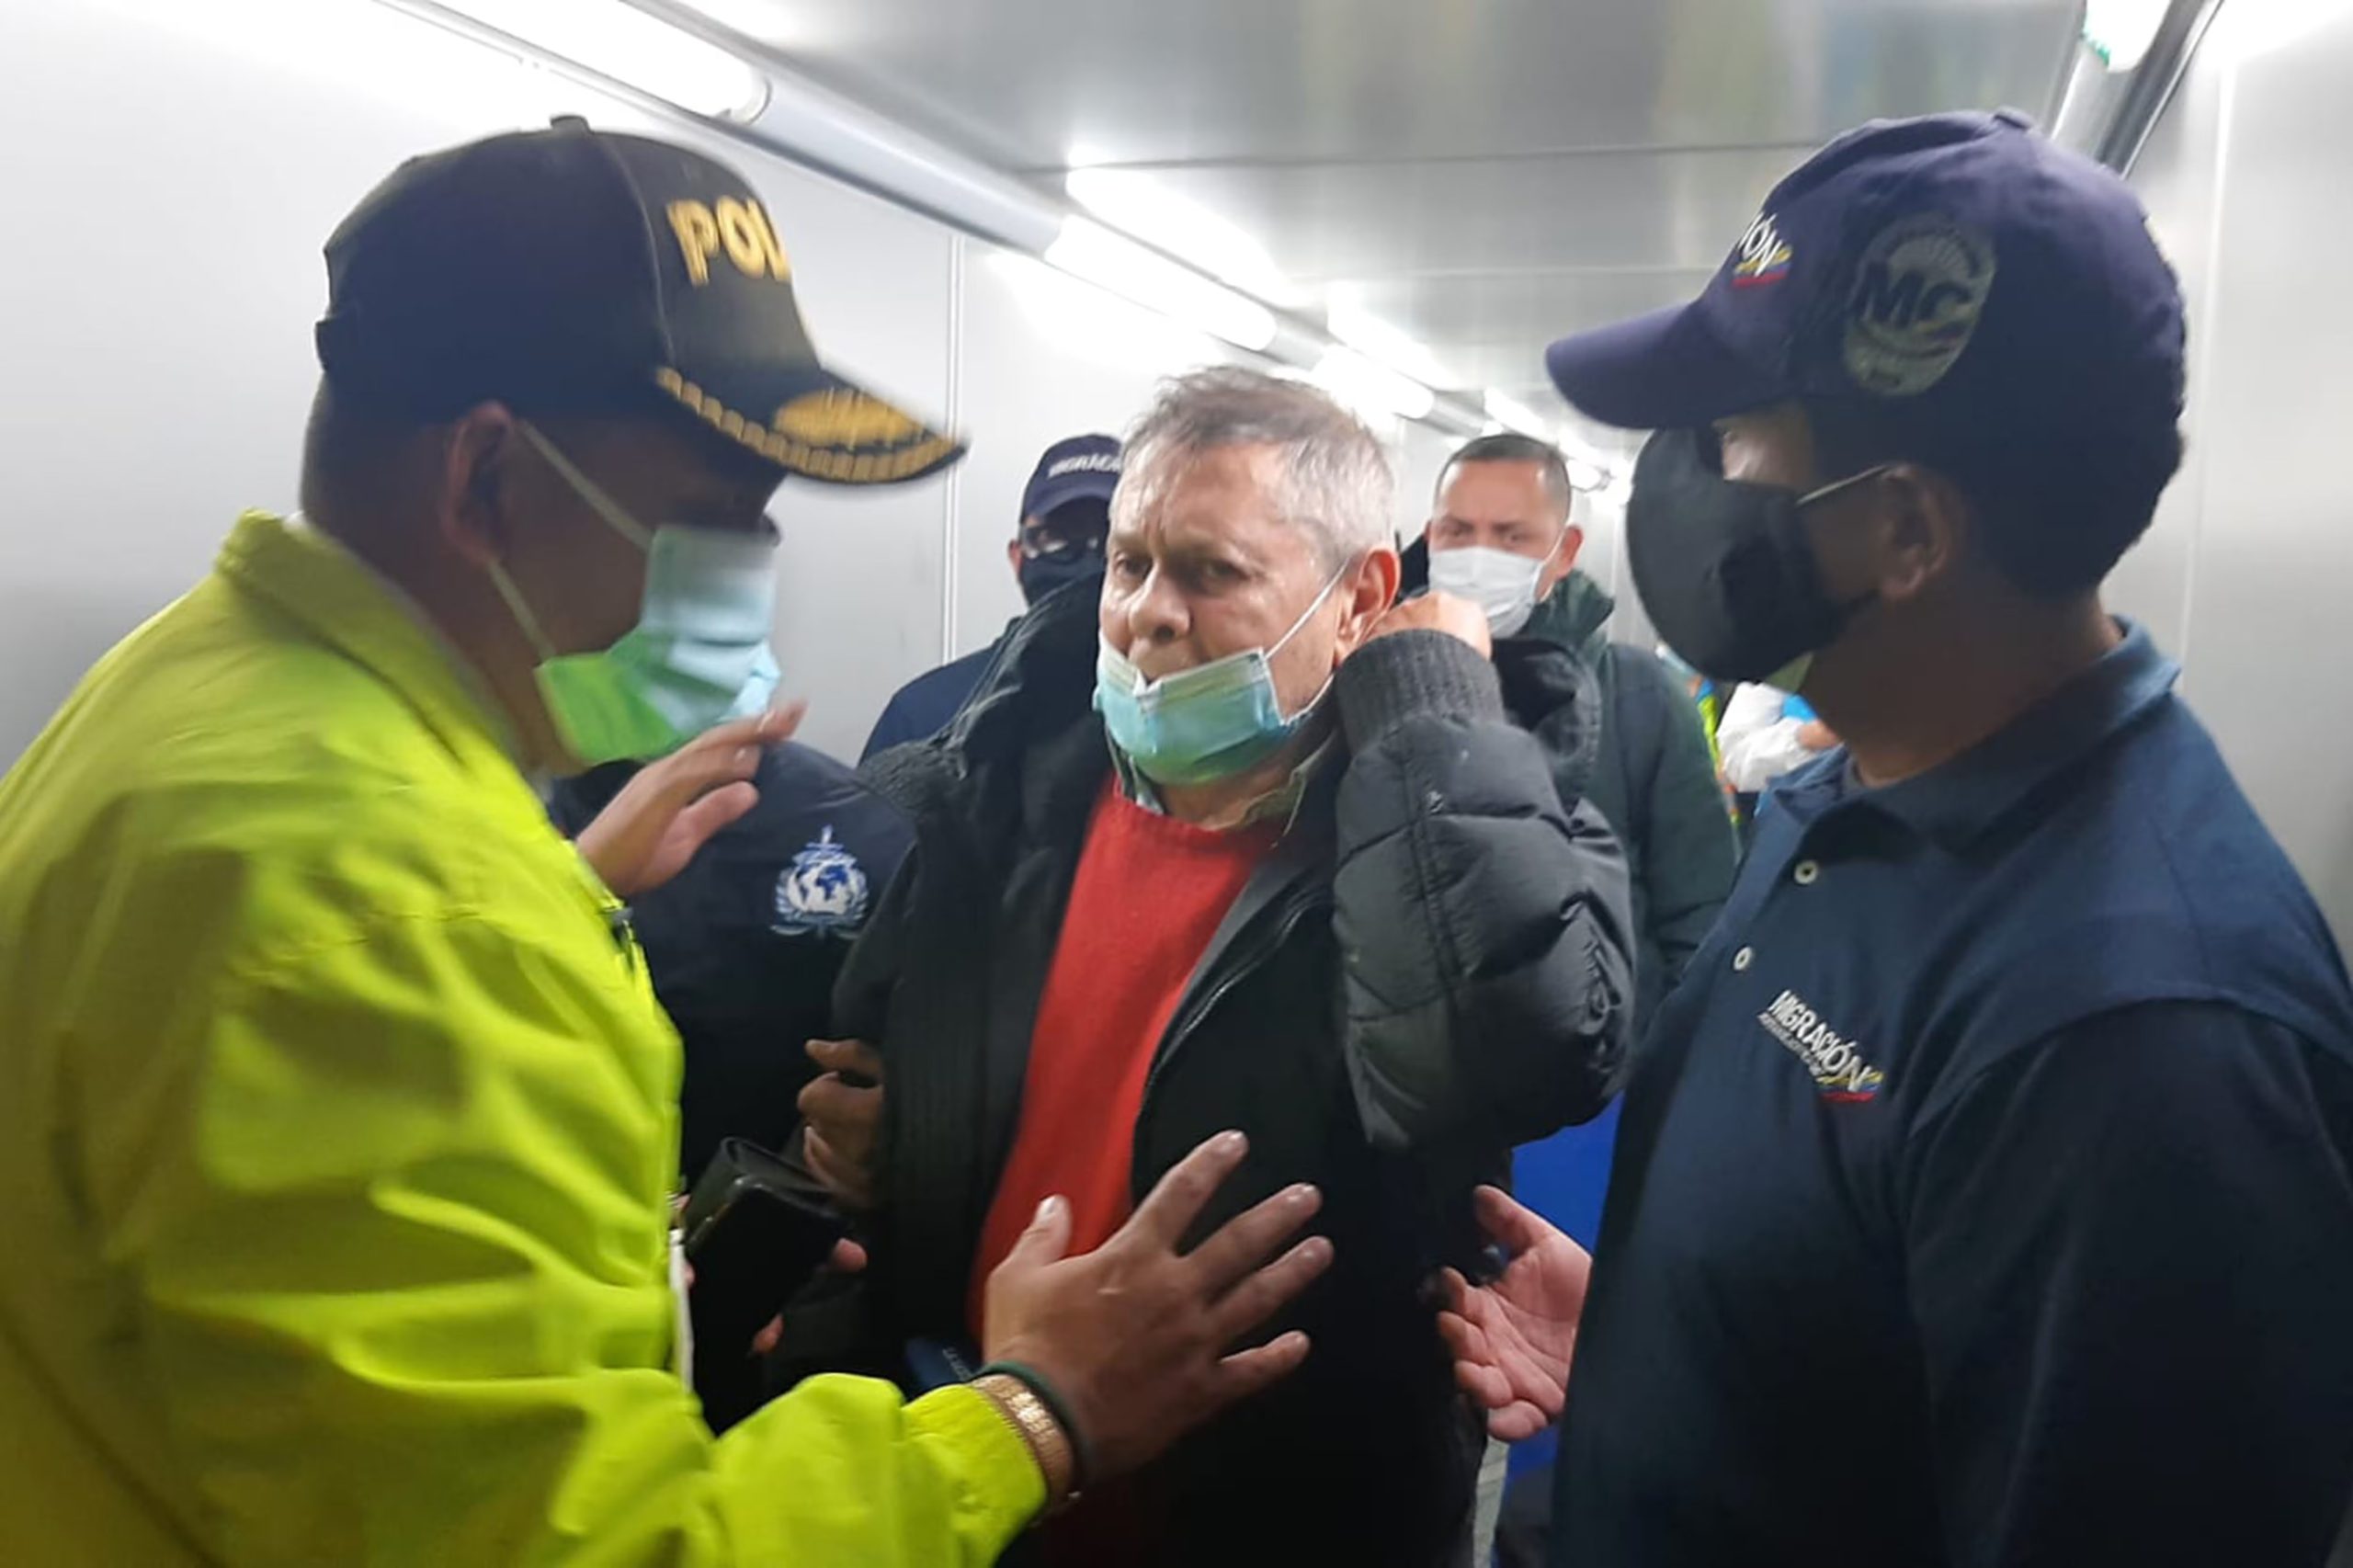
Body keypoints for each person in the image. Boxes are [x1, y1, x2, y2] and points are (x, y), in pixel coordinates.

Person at [0, 120, 1336, 1566]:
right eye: (715, 516)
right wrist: (1029, 1412)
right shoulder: (416, 918)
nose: (751, 571)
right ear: (490, 480)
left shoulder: (190, 694)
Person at [1441, 110, 2353, 1567]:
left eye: (1733, 438)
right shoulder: (1857, 795)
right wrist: (1658, 1342)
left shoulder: (2134, 1031)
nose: (1687, 478)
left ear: (1907, 532)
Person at [799, 366, 1633, 1568]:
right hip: (980, 1485)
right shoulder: (996, 790)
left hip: (1285, 1510)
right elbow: (864, 1088)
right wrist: (875, 1166)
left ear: (1362, 597)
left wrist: (1430, 710)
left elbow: (1506, 1058)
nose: (1147, 612)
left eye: (1212, 572)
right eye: (1130, 564)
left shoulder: (1480, 813)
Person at [1422, 431, 1738, 1021]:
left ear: (1564, 552)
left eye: (1512, 537)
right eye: (1457, 531)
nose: (1477, 556)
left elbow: (1701, 908)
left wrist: (1661, 1066)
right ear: (1430, 535)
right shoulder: (1384, 683)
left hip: (1597, 1068)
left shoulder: (1642, 698)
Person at [548, 710, 912, 1186]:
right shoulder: (475, 814)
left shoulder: (867, 824)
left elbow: (905, 1081)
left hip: (766, 1221)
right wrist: (580, 887)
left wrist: (897, 1152)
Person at [861, 433, 1121, 758]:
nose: (1088, 559)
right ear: (1018, 556)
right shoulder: (927, 717)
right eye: (1058, 537)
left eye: (1115, 541)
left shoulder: (1182, 724)